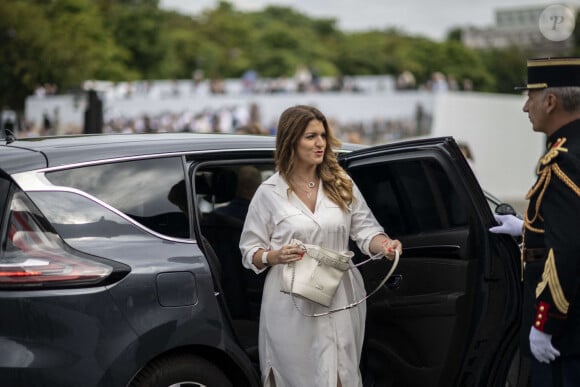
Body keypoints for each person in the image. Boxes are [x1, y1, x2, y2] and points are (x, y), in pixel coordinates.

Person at [239, 105, 403, 387]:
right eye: (310, 136)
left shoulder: (341, 183)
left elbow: (367, 231)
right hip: (290, 298)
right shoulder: (268, 193)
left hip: (339, 290)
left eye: (323, 136)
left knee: (339, 370)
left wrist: (385, 244)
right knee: (295, 374)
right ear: (291, 140)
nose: (320, 144)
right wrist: (273, 255)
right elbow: (249, 251)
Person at [489, 57, 580, 386]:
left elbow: (567, 249)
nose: (526, 107)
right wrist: (528, 231)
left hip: (566, 329)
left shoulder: (562, 161)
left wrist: (545, 323)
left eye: (530, 97)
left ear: (551, 101)